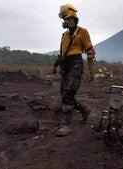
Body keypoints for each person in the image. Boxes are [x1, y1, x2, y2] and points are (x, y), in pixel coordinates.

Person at [52, 4, 95, 137]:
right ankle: (84, 109)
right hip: (65, 65)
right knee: (64, 95)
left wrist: (91, 70)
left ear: (73, 19)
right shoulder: (64, 35)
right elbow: (62, 54)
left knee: (68, 93)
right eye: (63, 20)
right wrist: (55, 65)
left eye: (66, 19)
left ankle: (66, 124)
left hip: (76, 64)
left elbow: (89, 51)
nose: (64, 22)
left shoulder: (83, 32)